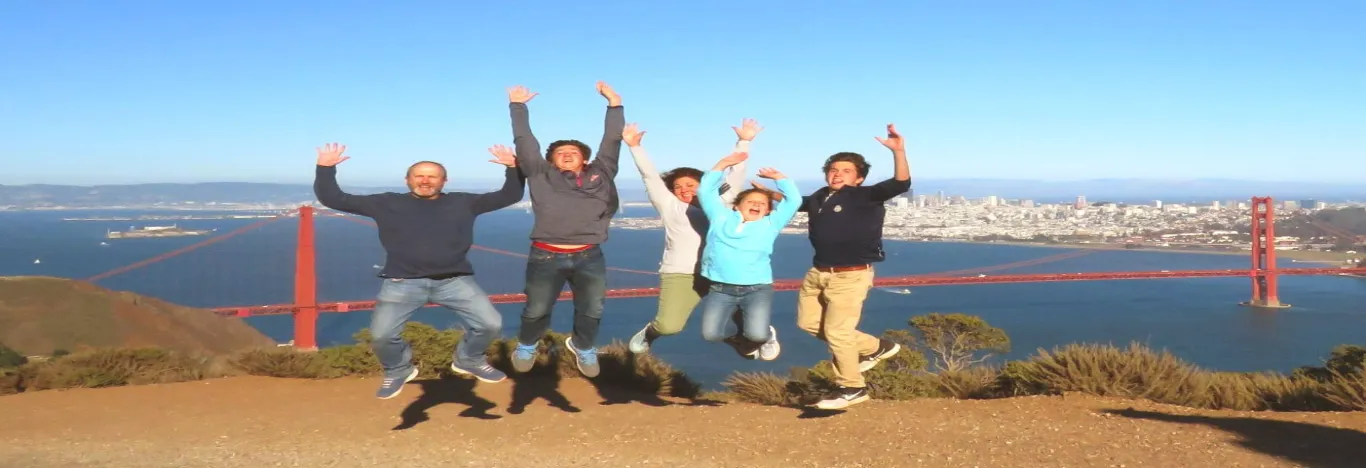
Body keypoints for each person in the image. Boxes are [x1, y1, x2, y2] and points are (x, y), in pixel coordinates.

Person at [312, 142, 526, 399]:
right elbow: (334, 199)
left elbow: (509, 196)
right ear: (407, 180)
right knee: (381, 336)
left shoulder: (463, 202)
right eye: (419, 176)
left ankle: (469, 359)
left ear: (444, 180)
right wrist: (325, 168)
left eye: (432, 176)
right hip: (402, 282)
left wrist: (513, 168)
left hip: (453, 280)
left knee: (490, 324)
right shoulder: (386, 203)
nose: (425, 181)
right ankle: (398, 369)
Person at [505, 82, 624, 378]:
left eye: (573, 151)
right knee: (536, 310)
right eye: (560, 152)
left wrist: (614, 103)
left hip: (589, 255)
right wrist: (518, 107)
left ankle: (583, 346)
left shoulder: (603, 172)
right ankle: (527, 344)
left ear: (585, 158)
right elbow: (525, 141)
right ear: (550, 160)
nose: (567, 154)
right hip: (545, 255)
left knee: (592, 310)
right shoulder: (539, 173)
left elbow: (612, 139)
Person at [795, 123, 912, 410]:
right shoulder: (820, 197)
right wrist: (766, 193)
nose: (837, 174)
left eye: (846, 171)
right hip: (818, 273)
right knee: (808, 323)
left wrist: (899, 151)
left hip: (851, 275)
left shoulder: (866, 196)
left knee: (838, 333)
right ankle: (876, 347)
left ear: (859, 178)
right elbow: (790, 203)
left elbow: (900, 184)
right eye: (833, 169)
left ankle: (852, 388)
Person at [622, 119, 763, 355]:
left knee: (750, 318)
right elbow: (649, 177)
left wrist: (744, 141)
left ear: (704, 184)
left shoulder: (722, 201)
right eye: (678, 186)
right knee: (669, 326)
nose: (684, 189)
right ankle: (651, 332)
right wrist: (635, 147)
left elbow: (736, 173)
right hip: (681, 271)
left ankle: (758, 339)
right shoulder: (669, 205)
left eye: (691, 184)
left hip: (723, 270)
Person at [695, 152, 801, 360]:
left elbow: (794, 200)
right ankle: (739, 339)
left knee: (757, 334)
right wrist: (723, 163)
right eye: (751, 201)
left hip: (757, 288)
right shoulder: (720, 217)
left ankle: (766, 336)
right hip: (721, 288)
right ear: (736, 205)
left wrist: (780, 178)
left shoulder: (770, 224)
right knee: (711, 335)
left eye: (763, 203)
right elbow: (705, 190)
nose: (757, 205)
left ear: (768, 211)